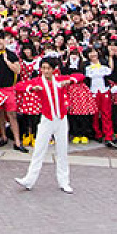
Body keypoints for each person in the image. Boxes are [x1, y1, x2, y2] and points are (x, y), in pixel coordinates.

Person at [13, 58, 84, 194]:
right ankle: (29, 179)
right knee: (39, 150)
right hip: (47, 120)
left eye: (48, 68)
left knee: (62, 151)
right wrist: (32, 88)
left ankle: (64, 182)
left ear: (53, 69)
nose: (45, 71)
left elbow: (80, 75)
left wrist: (69, 81)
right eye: (43, 68)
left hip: (62, 119)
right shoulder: (38, 81)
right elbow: (19, 86)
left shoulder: (59, 79)